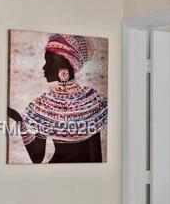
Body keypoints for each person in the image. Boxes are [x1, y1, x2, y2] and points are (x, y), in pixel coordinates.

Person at [8, 33, 107, 163]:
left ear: (64, 69)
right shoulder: (44, 106)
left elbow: (95, 154)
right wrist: (18, 118)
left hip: (78, 173)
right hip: (56, 173)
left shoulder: (92, 101)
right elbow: (37, 157)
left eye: (48, 61)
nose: (44, 67)